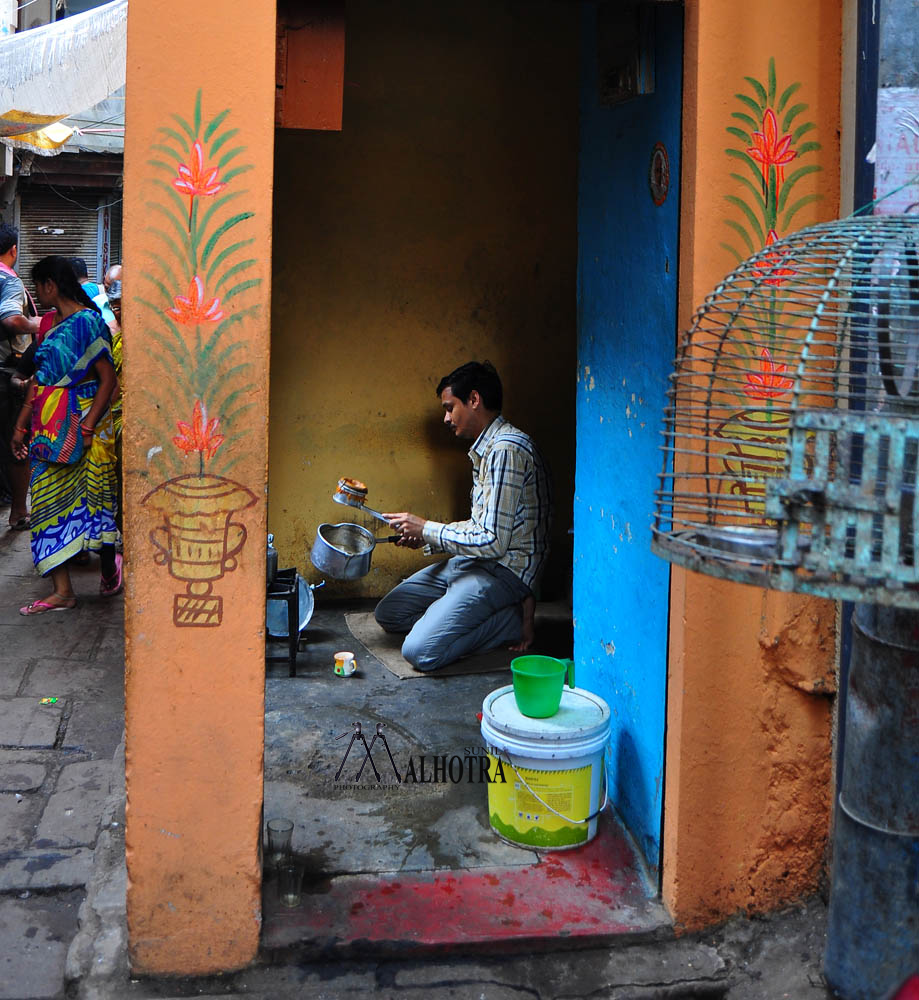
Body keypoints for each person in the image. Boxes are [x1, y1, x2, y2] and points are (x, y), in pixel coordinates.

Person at [374, 361, 552, 671]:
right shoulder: (485, 450)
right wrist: (424, 537)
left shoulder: (505, 450)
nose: (445, 417)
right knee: (390, 614)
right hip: (475, 563)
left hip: (503, 571)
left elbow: (493, 542)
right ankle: (460, 613)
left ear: (473, 400)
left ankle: (509, 622)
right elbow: (479, 525)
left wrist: (427, 527)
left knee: (419, 652)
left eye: (449, 407)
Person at [11, 256, 121, 615]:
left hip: (86, 426)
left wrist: (87, 426)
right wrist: (21, 425)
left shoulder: (88, 323)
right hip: (49, 426)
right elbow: (40, 380)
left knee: (95, 503)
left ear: (50, 286)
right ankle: (62, 591)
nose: (39, 295)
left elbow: (109, 382)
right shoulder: (50, 325)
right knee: (43, 502)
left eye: (40, 286)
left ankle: (108, 571)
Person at [0, 224, 38, 530]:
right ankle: (18, 512)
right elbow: (12, 319)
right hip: (4, 373)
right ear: (14, 250)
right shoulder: (8, 279)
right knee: (16, 440)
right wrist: (39, 324)